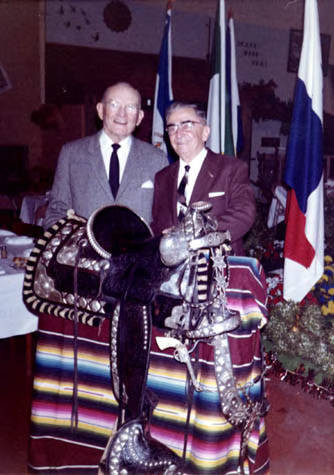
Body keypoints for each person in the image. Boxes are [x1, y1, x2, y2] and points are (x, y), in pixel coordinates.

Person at [44, 82, 168, 229]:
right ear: (100, 110)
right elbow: (57, 211)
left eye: (131, 107)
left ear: (139, 117)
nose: (122, 114)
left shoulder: (157, 159)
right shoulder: (71, 154)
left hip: (139, 251)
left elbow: (164, 217)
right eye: (114, 104)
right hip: (84, 250)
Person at [151, 101, 256, 254]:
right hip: (173, 272)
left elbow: (244, 214)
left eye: (187, 125)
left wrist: (192, 236)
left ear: (205, 132)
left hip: (218, 266)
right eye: (172, 128)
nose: (178, 133)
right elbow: (158, 225)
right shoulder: (162, 177)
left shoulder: (231, 168)